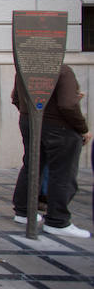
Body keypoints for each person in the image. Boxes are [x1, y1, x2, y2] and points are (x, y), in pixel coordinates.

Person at [10, 64, 92, 238]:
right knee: (62, 173)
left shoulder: (25, 69)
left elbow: (16, 98)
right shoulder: (62, 71)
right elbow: (68, 105)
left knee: (32, 165)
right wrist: (83, 129)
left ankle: (24, 211)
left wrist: (31, 115)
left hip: (29, 121)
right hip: (59, 127)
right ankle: (57, 220)